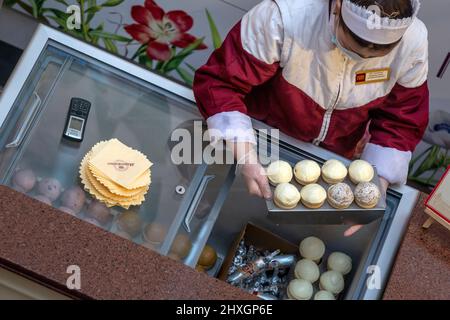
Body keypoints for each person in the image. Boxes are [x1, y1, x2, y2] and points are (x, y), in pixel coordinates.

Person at [193, 0, 429, 235]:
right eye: (353, 47)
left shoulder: (412, 42)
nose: (362, 59)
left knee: (294, 229)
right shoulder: (285, 16)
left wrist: (377, 182)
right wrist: (244, 154)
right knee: (226, 208)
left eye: (376, 54)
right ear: (336, 7)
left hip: (335, 156)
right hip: (258, 136)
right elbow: (221, 84)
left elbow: (402, 120)